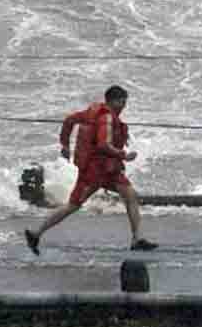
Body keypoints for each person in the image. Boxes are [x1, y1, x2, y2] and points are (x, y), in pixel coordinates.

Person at [24, 85, 157, 254]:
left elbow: (69, 120)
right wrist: (124, 155)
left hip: (109, 170)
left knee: (130, 196)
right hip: (95, 171)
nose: (124, 106)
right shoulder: (107, 118)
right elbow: (104, 145)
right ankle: (36, 234)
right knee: (73, 205)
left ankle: (137, 239)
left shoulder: (91, 112)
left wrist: (65, 144)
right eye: (123, 102)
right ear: (114, 101)